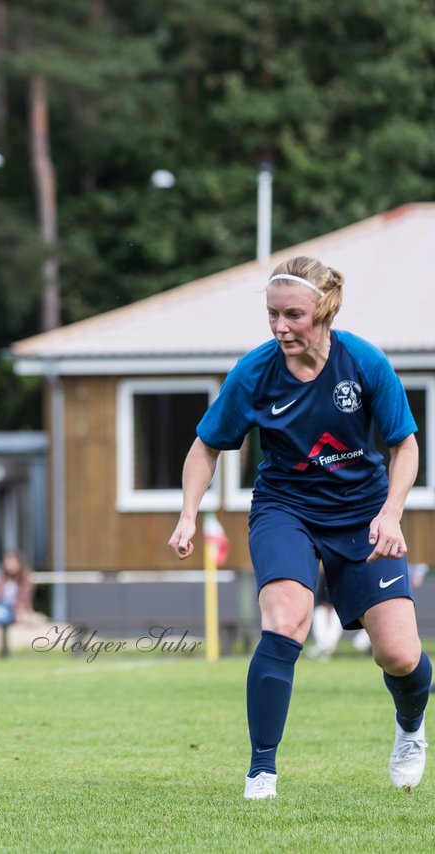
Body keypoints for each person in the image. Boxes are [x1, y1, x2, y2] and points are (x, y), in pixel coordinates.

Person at [167, 255, 426, 801]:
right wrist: (189, 512)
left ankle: (409, 728)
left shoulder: (364, 363)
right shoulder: (254, 373)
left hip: (364, 514)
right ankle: (262, 770)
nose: (280, 326)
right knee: (285, 619)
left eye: (293, 315)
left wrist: (391, 513)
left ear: (324, 310)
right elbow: (205, 447)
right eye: (272, 314)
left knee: (399, 655)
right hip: (286, 509)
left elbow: (405, 445)